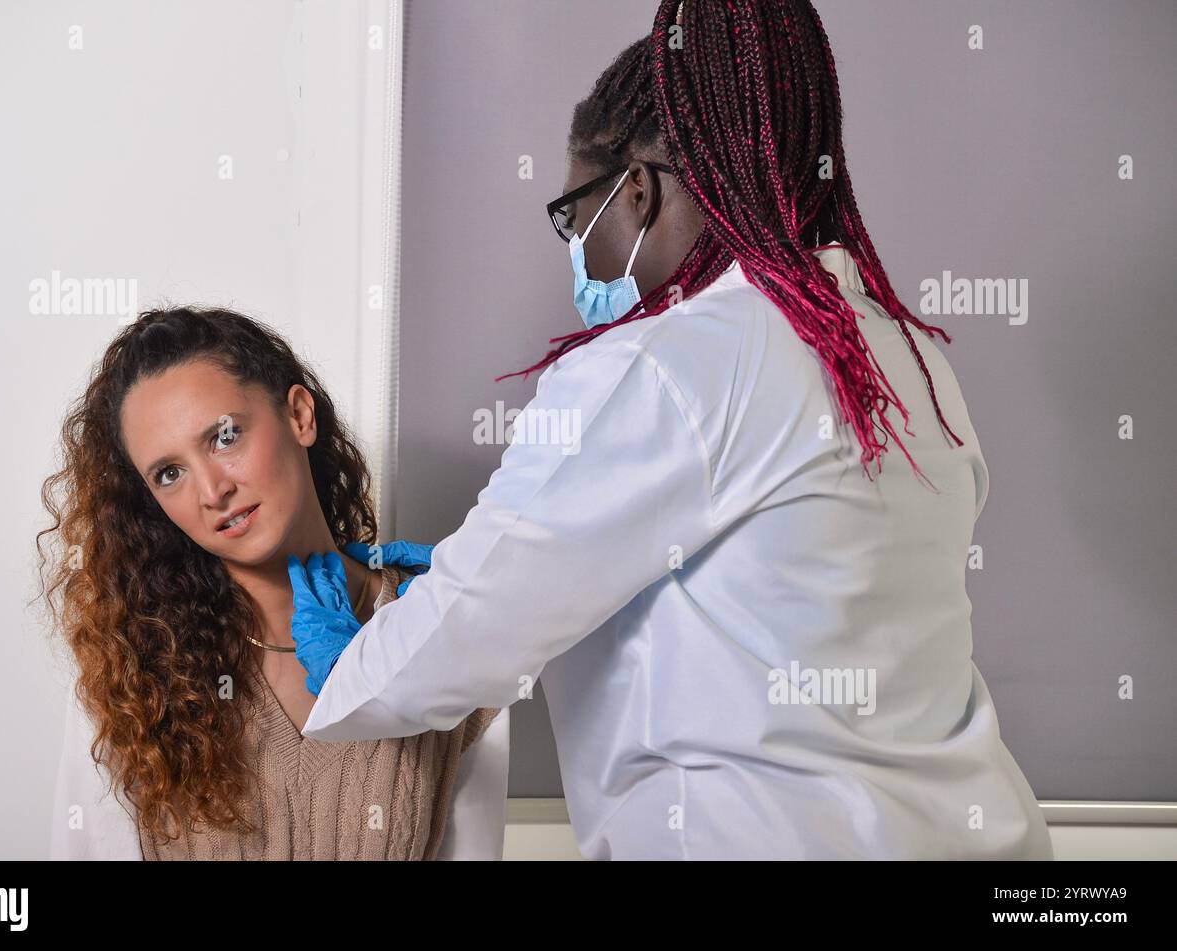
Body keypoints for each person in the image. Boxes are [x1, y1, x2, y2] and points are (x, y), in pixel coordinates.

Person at [294, 0, 1053, 859]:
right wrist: (519, 579)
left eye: (575, 213)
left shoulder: (664, 362)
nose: (577, 244)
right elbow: (771, 593)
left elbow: (469, 628)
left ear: (638, 190)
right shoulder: (905, 356)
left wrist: (355, 665)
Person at [38, 307, 508, 860]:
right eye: (170, 473)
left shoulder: (438, 628)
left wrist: (433, 632)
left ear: (299, 415)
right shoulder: (128, 678)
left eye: (225, 437)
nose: (212, 491)